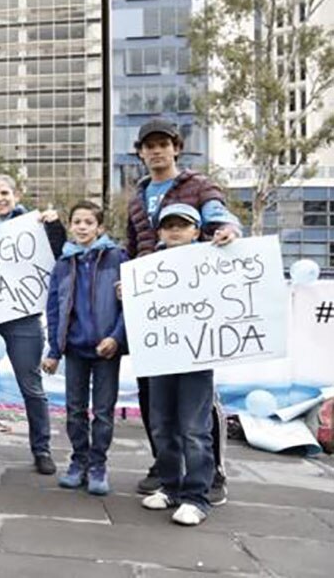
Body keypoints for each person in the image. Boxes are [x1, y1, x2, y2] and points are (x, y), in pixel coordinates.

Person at [126, 117, 238, 504]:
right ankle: (167, 471)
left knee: (199, 405)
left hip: (194, 310)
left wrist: (228, 230)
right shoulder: (137, 195)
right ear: (140, 153)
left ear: (176, 147)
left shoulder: (198, 185)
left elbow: (221, 217)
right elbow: (133, 247)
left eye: (163, 144)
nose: (156, 151)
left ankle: (211, 476)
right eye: (148, 145)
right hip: (152, 311)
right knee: (155, 402)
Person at [0, 174, 66, 474]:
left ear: (16, 195)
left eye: (5, 192)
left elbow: (59, 251)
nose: (0, 198)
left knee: (31, 387)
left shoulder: (36, 226)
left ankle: (41, 450)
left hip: (24, 319)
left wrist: (55, 224)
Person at [139, 204, 225, 526]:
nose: (175, 230)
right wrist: (129, 295)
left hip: (196, 358)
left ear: (196, 231)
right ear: (159, 231)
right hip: (160, 357)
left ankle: (197, 497)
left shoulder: (213, 261)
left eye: (183, 225)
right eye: (168, 225)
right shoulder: (147, 266)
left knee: (194, 428)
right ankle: (171, 486)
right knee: (162, 425)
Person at [41, 201, 127, 496]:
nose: (81, 227)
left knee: (103, 411)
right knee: (75, 410)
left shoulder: (117, 257)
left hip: (107, 350)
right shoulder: (64, 263)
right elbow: (54, 308)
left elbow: (129, 304)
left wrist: (116, 337)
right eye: (76, 221)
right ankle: (78, 461)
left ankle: (98, 465)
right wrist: (54, 350)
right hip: (75, 349)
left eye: (88, 222)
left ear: (99, 227)